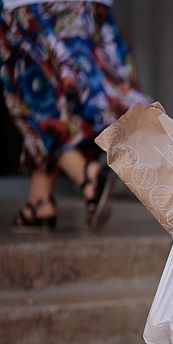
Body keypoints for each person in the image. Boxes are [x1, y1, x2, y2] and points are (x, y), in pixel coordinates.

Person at [0, 0, 149, 232]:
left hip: (29, 6)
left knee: (31, 106)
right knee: (63, 106)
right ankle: (40, 203)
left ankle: (87, 177)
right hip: (85, 8)